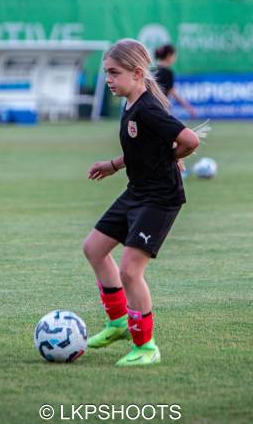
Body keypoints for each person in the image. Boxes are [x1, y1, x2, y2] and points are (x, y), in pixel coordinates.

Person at [83, 38, 200, 366]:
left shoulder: (148, 107)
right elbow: (142, 149)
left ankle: (146, 347)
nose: (108, 79)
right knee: (94, 248)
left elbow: (189, 140)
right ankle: (119, 322)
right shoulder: (129, 104)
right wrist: (114, 165)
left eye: (113, 73)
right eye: (106, 72)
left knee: (130, 271)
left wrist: (169, 159)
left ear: (136, 74)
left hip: (160, 197)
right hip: (138, 191)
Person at [154, 44, 197, 118]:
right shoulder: (167, 72)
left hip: (151, 106)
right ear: (169, 56)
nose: (175, 58)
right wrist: (189, 108)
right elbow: (173, 93)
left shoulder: (153, 70)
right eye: (174, 55)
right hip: (161, 107)